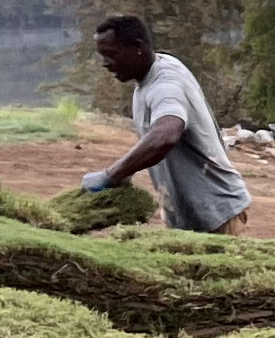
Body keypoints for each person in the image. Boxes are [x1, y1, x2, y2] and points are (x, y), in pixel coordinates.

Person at [80, 15, 253, 234]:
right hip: (189, 218)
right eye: (102, 56)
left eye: (111, 54)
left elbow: (166, 135)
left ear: (138, 47)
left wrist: (112, 175)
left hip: (217, 217)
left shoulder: (165, 84)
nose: (105, 63)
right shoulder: (152, 73)